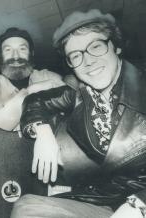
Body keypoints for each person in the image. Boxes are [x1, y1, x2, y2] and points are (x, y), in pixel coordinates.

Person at [11, 9, 146, 218]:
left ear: (116, 47)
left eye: (96, 47)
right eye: (75, 56)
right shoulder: (80, 94)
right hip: (105, 203)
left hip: (137, 205)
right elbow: (35, 101)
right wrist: (43, 132)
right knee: (26, 207)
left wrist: (140, 204)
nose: (88, 61)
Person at [0, 27, 64, 131]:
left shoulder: (49, 77)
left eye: (22, 49)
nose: (15, 56)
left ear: (31, 53)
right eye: (8, 50)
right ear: (0, 56)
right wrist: (30, 92)